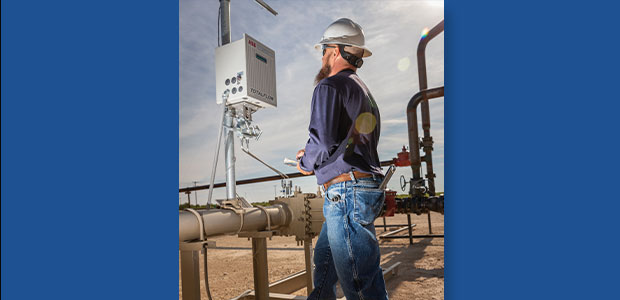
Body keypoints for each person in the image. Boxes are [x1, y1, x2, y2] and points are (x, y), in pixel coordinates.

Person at [296, 18, 388, 300]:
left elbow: (322, 142)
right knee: (325, 266)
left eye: (323, 52)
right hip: (359, 189)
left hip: (346, 194)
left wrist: (305, 162)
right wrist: (314, 154)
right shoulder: (362, 91)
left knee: (361, 289)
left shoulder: (329, 86)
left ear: (334, 51)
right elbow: (346, 141)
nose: (322, 58)